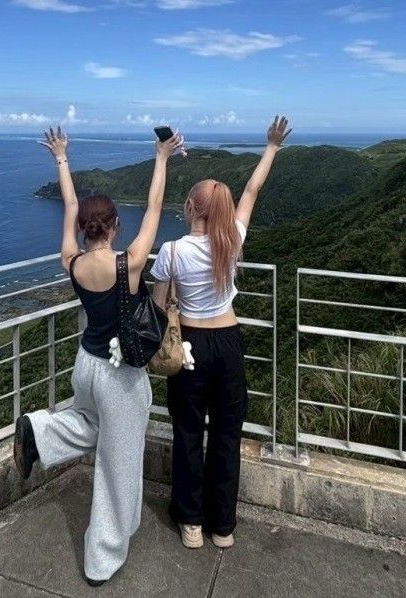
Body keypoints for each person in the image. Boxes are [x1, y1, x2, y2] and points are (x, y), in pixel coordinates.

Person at [14, 125, 184, 586]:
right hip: (119, 374)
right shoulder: (126, 265)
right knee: (119, 462)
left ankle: (41, 431)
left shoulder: (71, 261)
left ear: (86, 229)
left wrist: (62, 159)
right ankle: (102, 558)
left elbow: (69, 207)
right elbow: (154, 208)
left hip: (85, 365)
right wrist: (162, 157)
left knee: (90, 427)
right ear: (113, 226)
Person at [151, 115, 291, 550]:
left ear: (190, 209)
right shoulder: (233, 239)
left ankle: (190, 523)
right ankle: (223, 526)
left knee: (189, 432)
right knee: (227, 434)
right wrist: (271, 147)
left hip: (190, 347)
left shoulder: (173, 251)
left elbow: (158, 307)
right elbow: (252, 190)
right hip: (228, 343)